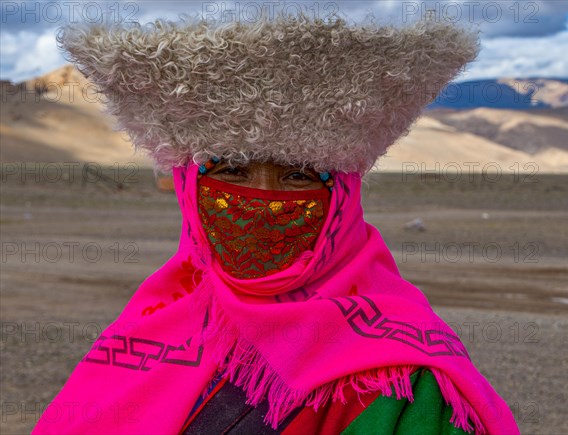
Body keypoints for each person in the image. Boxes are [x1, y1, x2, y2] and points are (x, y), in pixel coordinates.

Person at [32, 10, 520, 435]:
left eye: (297, 175)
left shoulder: (401, 374)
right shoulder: (151, 328)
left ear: (342, 198)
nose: (264, 200)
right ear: (188, 187)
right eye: (230, 171)